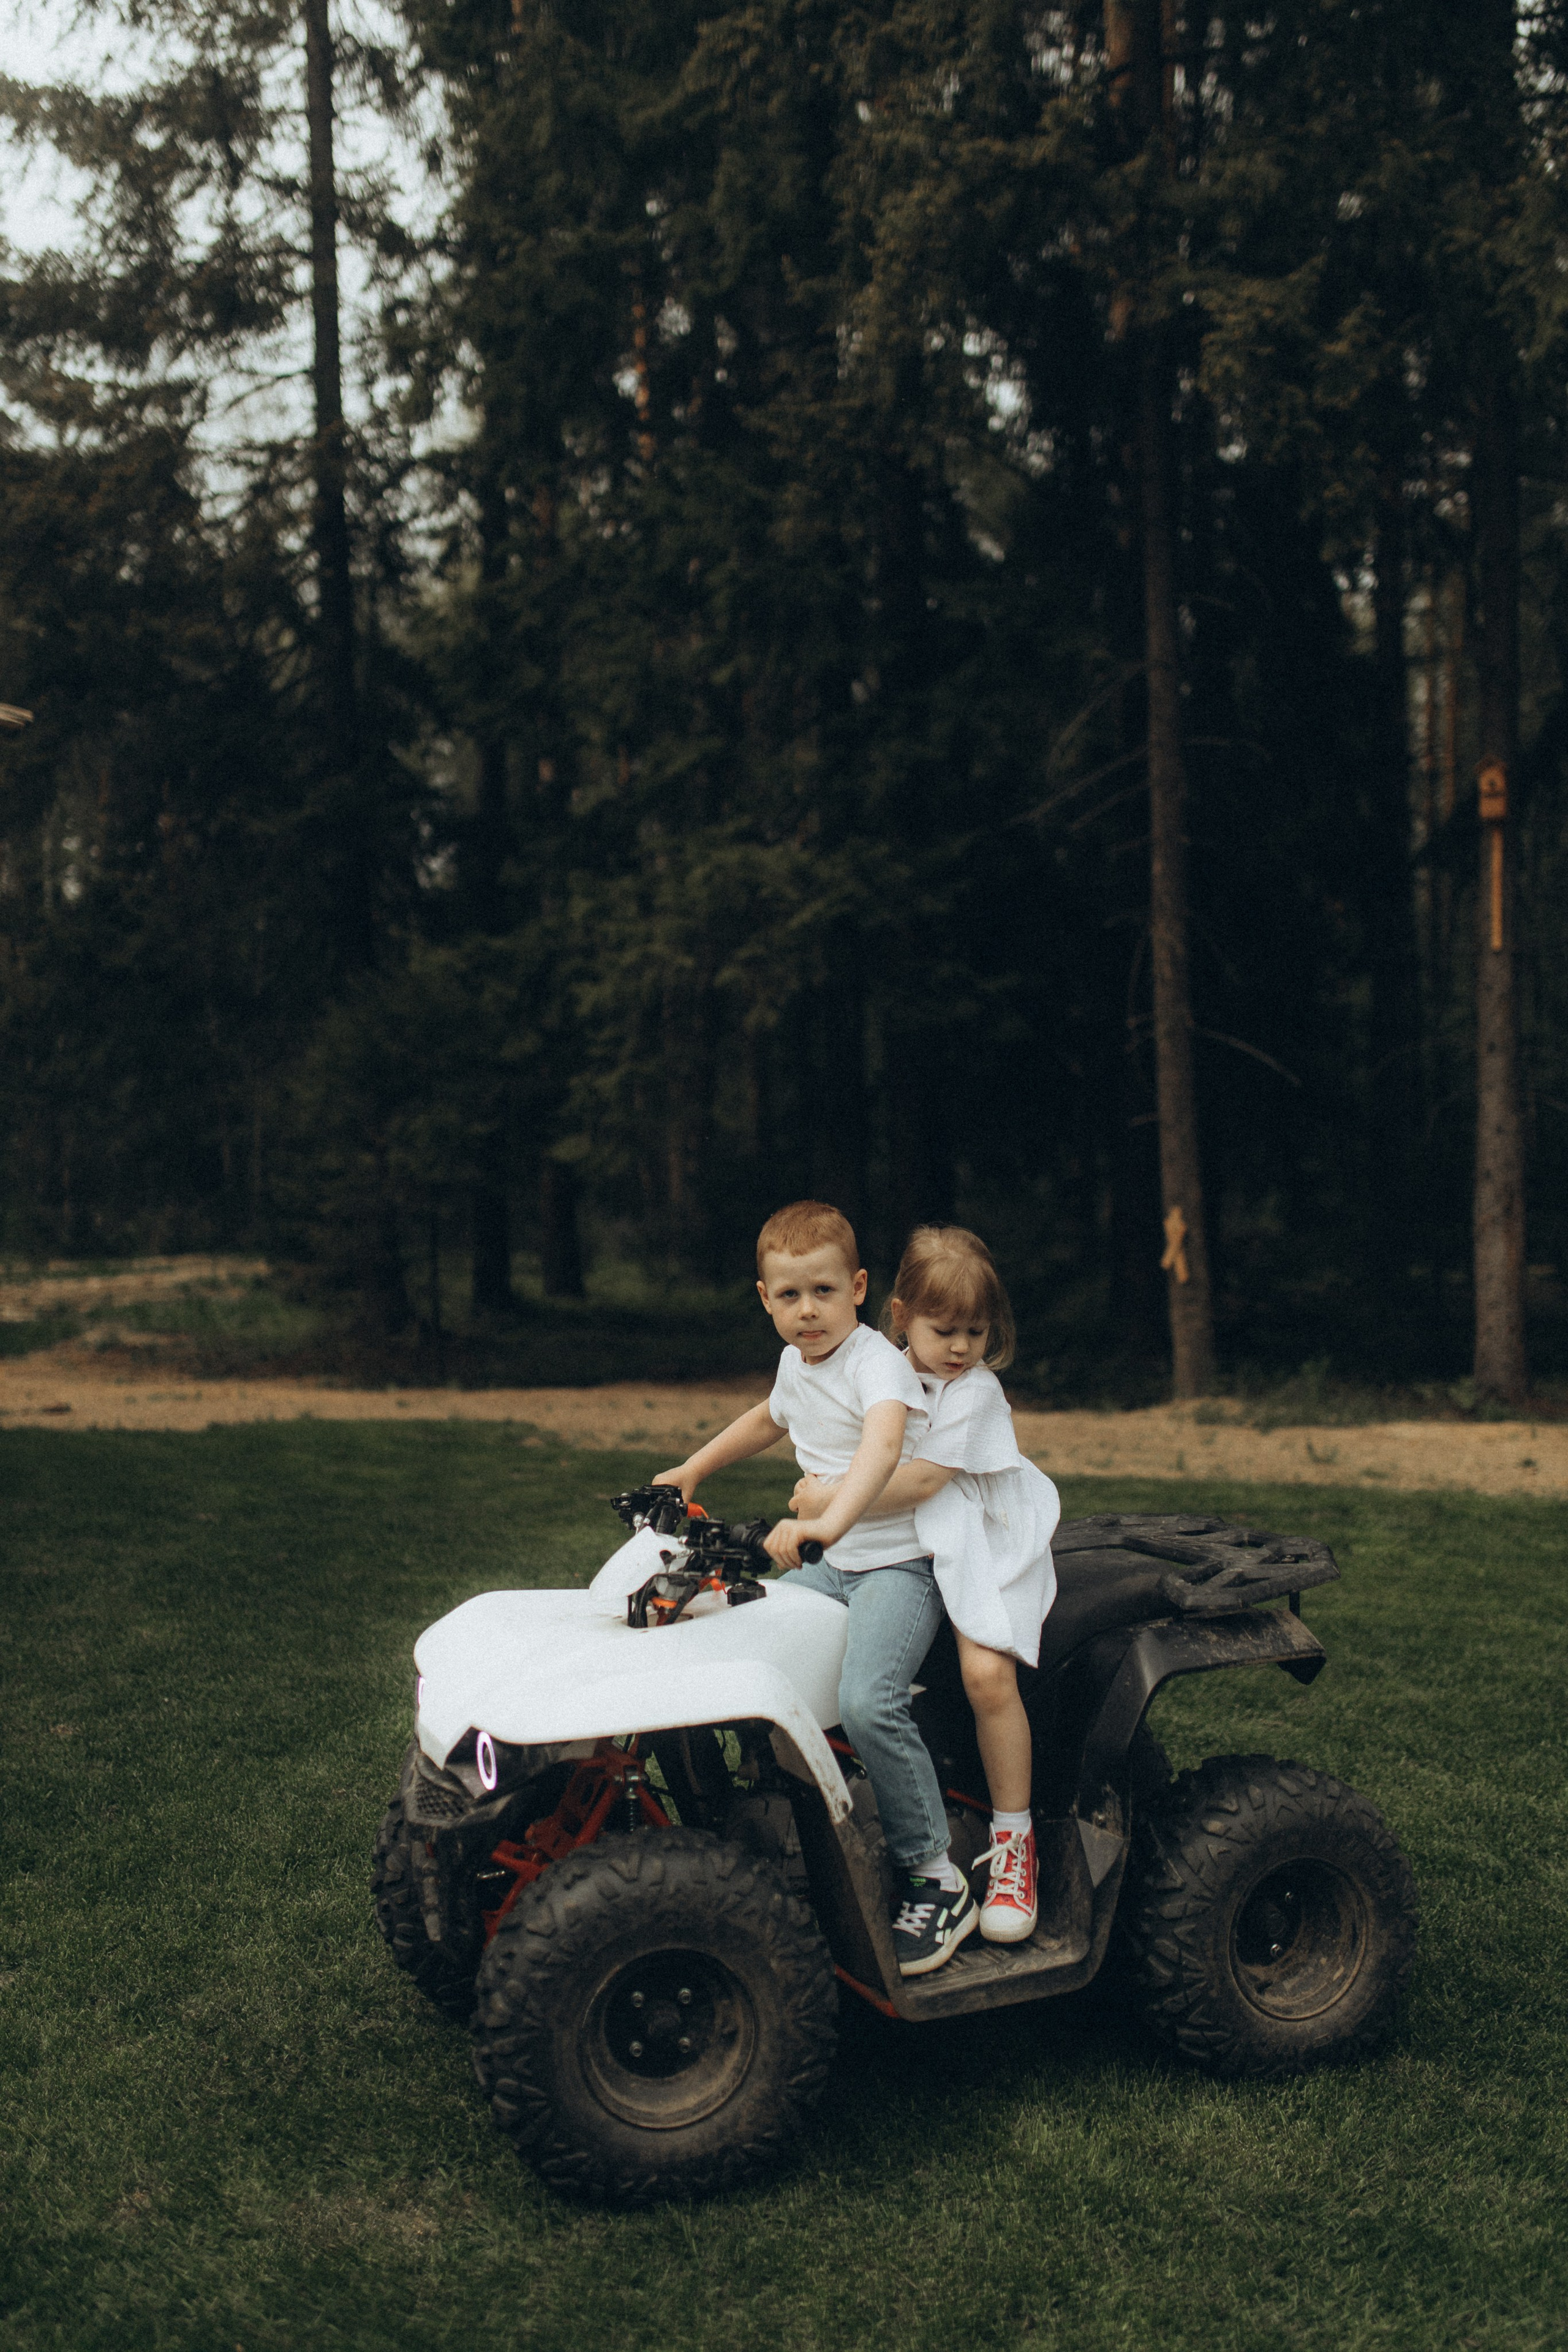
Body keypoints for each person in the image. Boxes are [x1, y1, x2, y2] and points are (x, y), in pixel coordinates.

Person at [652, 1198, 981, 1977]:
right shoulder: (797, 1364)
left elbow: (884, 1447)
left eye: (824, 1292)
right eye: (790, 1296)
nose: (808, 1312)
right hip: (831, 1563)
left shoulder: (876, 1364)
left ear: (859, 1288)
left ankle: (935, 1875)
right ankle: (761, 1819)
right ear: (764, 1299)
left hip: (897, 1565)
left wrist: (828, 1518)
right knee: (745, 1650)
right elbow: (772, 1416)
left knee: (870, 1700)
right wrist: (695, 1466)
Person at [791, 1225, 1058, 1944]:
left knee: (985, 1675)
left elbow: (923, 1481)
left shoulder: (973, 1392)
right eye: (947, 1331)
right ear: (901, 1315)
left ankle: (1013, 1842)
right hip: (902, 1538)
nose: (963, 1348)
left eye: (977, 1331)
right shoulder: (879, 1367)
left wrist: (827, 1498)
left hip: (979, 1537)